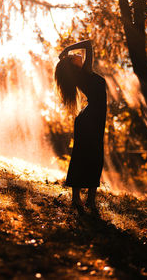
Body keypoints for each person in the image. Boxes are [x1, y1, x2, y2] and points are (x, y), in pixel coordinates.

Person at [54, 40, 107, 214]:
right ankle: (79, 198)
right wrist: (66, 49)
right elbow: (90, 44)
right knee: (86, 156)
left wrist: (66, 52)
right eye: (72, 57)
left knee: (94, 157)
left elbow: (88, 46)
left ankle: (90, 199)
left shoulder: (82, 73)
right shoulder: (84, 72)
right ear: (72, 65)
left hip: (93, 117)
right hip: (91, 118)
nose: (77, 55)